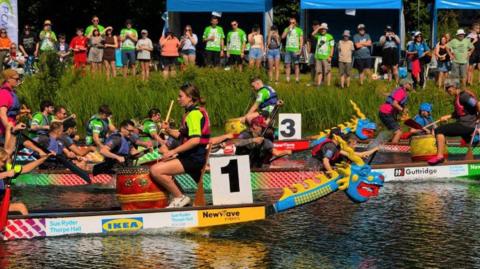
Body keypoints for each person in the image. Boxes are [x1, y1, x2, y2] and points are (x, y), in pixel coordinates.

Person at [150, 83, 210, 208]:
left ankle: (180, 197)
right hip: (191, 156)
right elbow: (182, 135)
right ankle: (182, 199)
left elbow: (195, 140)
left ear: (190, 97)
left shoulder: (194, 114)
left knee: (155, 170)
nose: (178, 99)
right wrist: (168, 130)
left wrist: (172, 152)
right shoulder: (191, 113)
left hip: (194, 158)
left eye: (180, 96)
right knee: (160, 168)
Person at [428, 79, 480, 165]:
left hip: (466, 125)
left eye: (448, 88)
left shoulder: (464, 96)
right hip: (467, 125)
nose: (447, 90)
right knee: (470, 142)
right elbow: (459, 113)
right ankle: (471, 163)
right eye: (446, 88)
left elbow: (478, 104)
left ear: (454, 86)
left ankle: (440, 156)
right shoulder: (458, 98)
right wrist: (447, 116)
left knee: (439, 130)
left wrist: (479, 117)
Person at [310, 129, 377, 173]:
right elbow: (325, 161)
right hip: (315, 165)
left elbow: (350, 154)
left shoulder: (336, 146)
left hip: (318, 164)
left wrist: (374, 149)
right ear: (335, 137)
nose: (343, 138)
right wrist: (331, 172)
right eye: (341, 137)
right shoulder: (331, 147)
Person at [378, 78, 413, 143]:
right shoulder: (401, 92)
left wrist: (402, 115)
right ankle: (393, 149)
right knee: (398, 132)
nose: (411, 85)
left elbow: (397, 106)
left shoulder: (402, 92)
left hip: (387, 113)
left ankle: (389, 143)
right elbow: (394, 103)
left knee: (396, 131)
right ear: (404, 85)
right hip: (386, 112)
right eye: (410, 84)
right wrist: (403, 110)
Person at [311, 23, 334, 87]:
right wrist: (319, 28)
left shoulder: (330, 36)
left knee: (328, 71)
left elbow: (332, 47)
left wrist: (330, 56)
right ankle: (319, 84)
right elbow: (313, 34)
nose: (323, 30)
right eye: (322, 29)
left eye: (324, 29)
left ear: (326, 30)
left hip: (326, 57)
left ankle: (328, 84)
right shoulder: (318, 35)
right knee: (319, 71)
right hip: (318, 57)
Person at [0, 70, 21, 140]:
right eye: (16, 79)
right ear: (8, 79)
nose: (18, 81)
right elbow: (2, 114)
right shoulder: (4, 93)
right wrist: (10, 129)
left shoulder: (11, 93)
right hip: (3, 132)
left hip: (11, 129)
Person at [282, 17, 303, 83]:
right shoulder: (287, 29)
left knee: (296, 65)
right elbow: (283, 37)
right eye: (291, 23)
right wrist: (288, 29)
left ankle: (297, 79)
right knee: (287, 65)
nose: (292, 24)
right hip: (288, 49)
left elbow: (301, 40)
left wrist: (300, 49)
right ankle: (288, 79)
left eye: (293, 23)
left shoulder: (299, 30)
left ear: (296, 23)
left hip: (295, 50)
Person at [306, 21, 320, 87]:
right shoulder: (310, 33)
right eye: (314, 25)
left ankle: (319, 81)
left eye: (316, 25)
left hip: (319, 53)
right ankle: (312, 80)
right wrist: (308, 49)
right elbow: (308, 41)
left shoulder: (320, 33)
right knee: (312, 67)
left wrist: (318, 29)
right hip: (312, 52)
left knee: (318, 67)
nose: (315, 26)